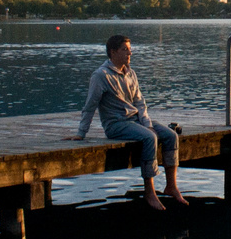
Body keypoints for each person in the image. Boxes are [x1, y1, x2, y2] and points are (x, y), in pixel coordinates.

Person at [68, 35, 188, 210]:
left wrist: (147, 124)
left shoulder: (130, 73)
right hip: (116, 124)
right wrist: (81, 133)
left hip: (136, 120)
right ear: (113, 52)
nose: (129, 53)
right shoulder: (101, 76)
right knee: (149, 139)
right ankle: (150, 192)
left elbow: (140, 103)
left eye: (129, 49)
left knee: (170, 136)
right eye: (125, 49)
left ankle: (171, 186)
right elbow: (90, 106)